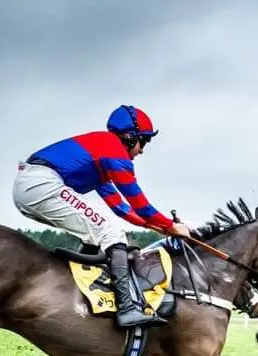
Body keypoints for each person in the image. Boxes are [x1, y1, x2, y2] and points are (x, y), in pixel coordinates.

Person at [13, 105, 190, 328]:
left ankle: (75, 289)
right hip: (41, 184)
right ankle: (127, 308)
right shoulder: (113, 151)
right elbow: (140, 204)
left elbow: (121, 209)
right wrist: (171, 226)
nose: (142, 150)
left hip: (32, 185)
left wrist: (160, 228)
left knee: (98, 232)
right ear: (129, 137)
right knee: (111, 232)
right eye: (143, 141)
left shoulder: (103, 154)